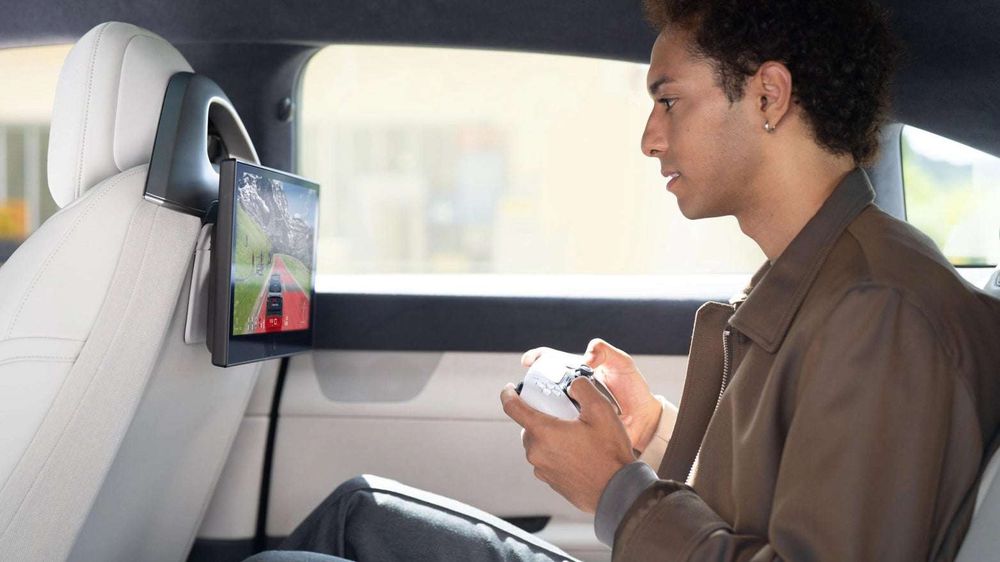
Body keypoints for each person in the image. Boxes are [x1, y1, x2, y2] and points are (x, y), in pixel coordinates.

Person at [248, 0, 1000, 560]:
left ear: (768, 96)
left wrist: (617, 489)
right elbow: (772, 498)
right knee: (360, 512)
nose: (649, 139)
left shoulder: (881, 314)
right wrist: (652, 431)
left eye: (669, 101)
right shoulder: (820, 280)